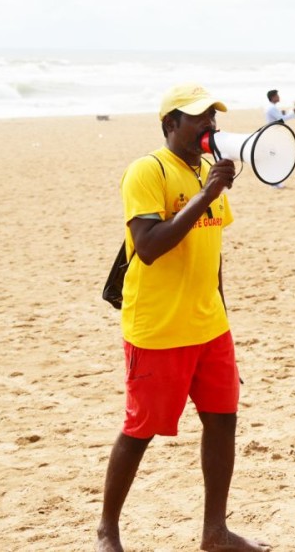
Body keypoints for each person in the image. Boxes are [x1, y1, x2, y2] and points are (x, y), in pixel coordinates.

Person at [96, 83, 271, 552]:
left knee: (223, 422)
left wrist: (223, 317)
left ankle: (215, 532)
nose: (210, 125)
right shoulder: (146, 171)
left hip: (209, 326)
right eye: (200, 118)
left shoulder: (209, 174)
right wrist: (208, 191)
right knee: (141, 430)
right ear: (172, 124)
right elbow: (149, 247)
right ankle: (107, 531)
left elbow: (213, 254)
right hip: (157, 328)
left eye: (214, 117)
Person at [264, 89, 295, 188]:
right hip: (273, 135)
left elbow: (280, 118)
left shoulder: (271, 107)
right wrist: (292, 113)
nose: (279, 97)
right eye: (277, 95)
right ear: (273, 97)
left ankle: (275, 182)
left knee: (275, 157)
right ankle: (274, 182)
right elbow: (281, 119)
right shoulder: (271, 108)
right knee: (275, 158)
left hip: (273, 134)